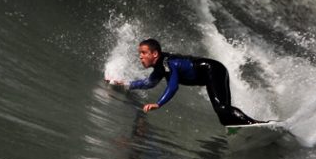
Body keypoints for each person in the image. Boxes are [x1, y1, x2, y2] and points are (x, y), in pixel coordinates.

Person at [107, 38, 264, 126]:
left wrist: (159, 104)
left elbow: (173, 86)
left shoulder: (167, 63)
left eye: (144, 53)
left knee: (222, 108)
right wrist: (127, 84)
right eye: (139, 53)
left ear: (155, 54)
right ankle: (243, 129)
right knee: (223, 114)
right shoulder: (160, 67)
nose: (140, 56)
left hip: (212, 69)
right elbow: (149, 83)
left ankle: (254, 124)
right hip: (211, 72)